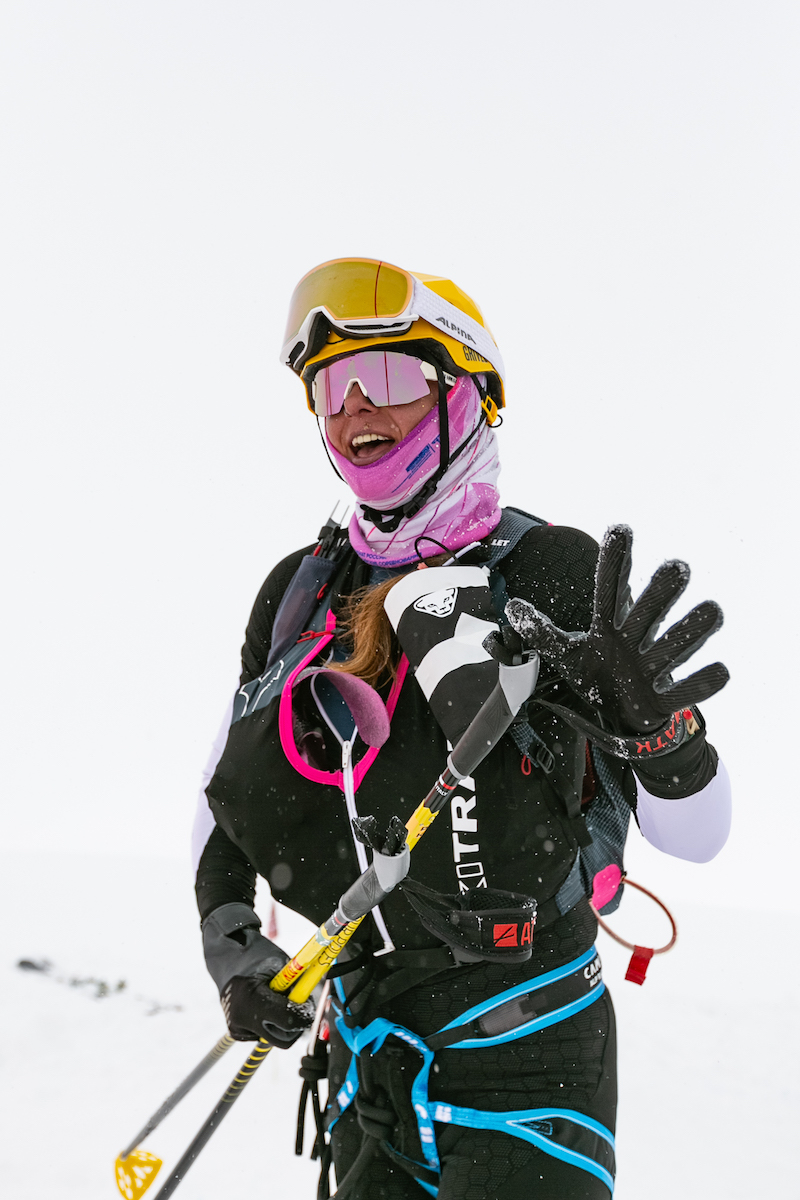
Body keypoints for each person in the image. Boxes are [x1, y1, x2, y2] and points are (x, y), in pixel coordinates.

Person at [192, 258, 731, 1199]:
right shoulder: (300, 593)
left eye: (388, 376)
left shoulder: (549, 570)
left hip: (529, 1066)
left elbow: (701, 835)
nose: (356, 407)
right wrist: (233, 944)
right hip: (368, 1064)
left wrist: (660, 735)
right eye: (331, 388)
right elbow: (222, 799)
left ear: (467, 395)